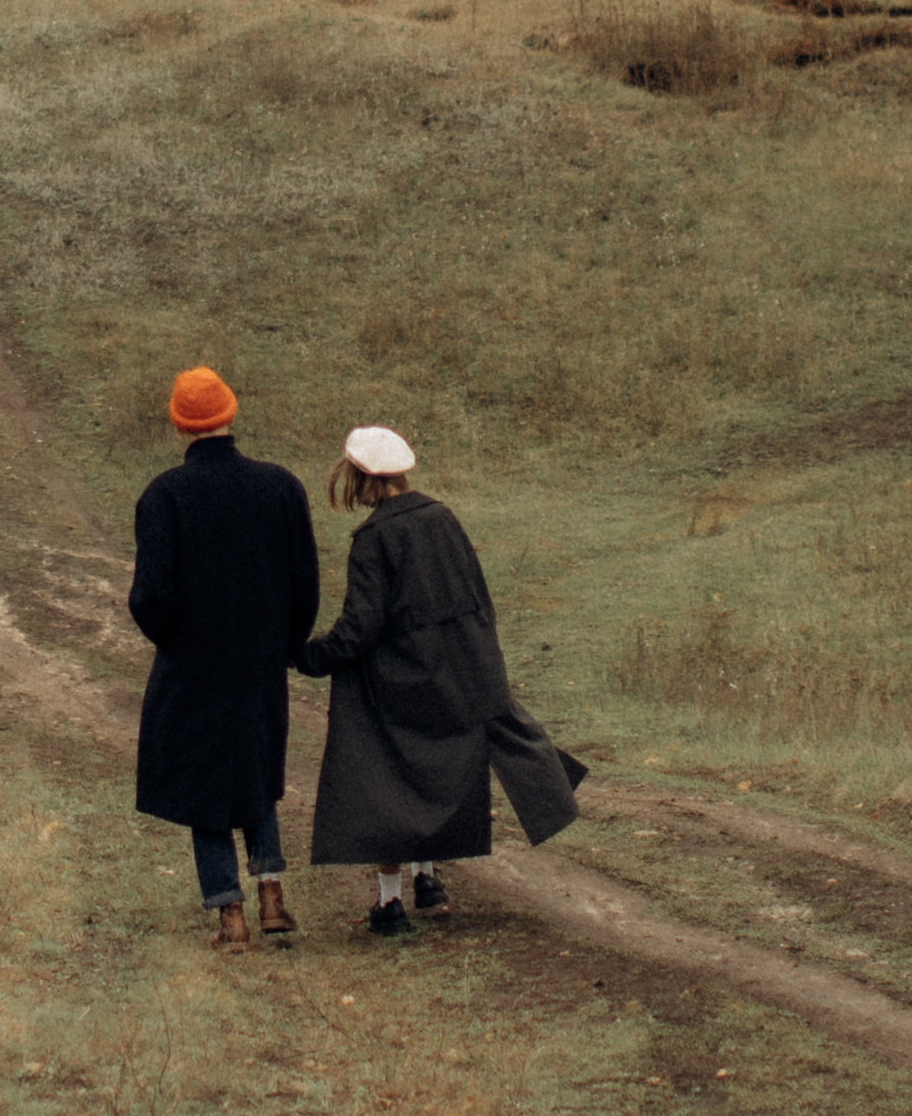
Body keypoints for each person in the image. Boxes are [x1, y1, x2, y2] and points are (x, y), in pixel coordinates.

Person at [296, 425, 585, 936]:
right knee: (434, 772)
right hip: (460, 674)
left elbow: (360, 629)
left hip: (400, 682)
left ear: (359, 477)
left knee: (383, 778)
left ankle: (390, 904)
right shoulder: (443, 517)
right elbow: (477, 600)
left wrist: (309, 656)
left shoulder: (373, 539)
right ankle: (426, 877)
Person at [129, 366, 320, 949]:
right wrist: (285, 644)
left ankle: (229, 914)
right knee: (256, 770)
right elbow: (305, 585)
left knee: (203, 781)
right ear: (231, 414)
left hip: (193, 664)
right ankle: (271, 896)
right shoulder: (281, 487)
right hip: (260, 661)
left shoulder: (164, 496)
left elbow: (150, 597)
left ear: (179, 424)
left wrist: (177, 641)